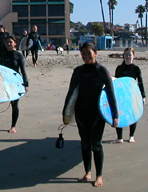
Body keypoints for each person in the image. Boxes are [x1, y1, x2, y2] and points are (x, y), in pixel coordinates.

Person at [62, 42, 119, 187]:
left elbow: (111, 93)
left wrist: (115, 115)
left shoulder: (102, 70)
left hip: (97, 114)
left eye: (89, 53)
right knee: (85, 144)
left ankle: (99, 175)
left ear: (95, 53)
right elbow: (70, 92)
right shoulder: (78, 71)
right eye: (83, 53)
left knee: (97, 145)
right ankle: (87, 172)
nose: (86, 56)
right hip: (81, 112)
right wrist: (65, 113)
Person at [110, 47, 146, 144]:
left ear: (133, 56)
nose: (128, 56)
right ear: (123, 56)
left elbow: (140, 83)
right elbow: (116, 82)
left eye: (130, 54)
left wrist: (143, 96)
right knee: (119, 114)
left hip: (132, 95)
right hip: (120, 95)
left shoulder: (136, 69)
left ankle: (131, 136)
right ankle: (119, 137)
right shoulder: (119, 68)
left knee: (132, 115)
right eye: (126, 55)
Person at [0, 36, 29, 133]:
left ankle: (13, 126)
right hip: (5, 81)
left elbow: (23, 71)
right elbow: (0, 70)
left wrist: (26, 84)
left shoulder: (19, 55)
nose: (8, 44)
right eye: (7, 42)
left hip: (16, 82)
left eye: (10, 42)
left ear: (15, 43)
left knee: (15, 104)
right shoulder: (3, 55)